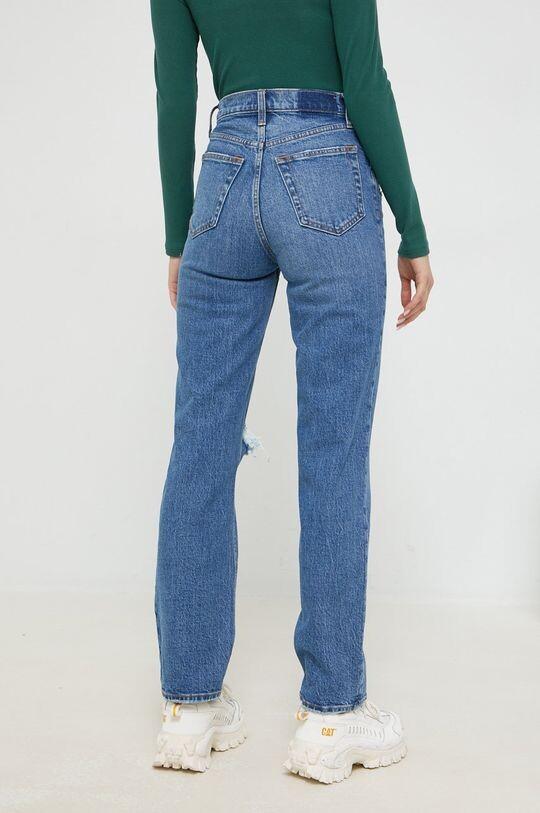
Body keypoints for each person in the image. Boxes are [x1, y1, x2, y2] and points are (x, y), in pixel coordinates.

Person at [150, 0, 434, 784]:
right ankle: (331, 716)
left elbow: (174, 91)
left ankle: (189, 707)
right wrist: (411, 226)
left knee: (201, 444)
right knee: (335, 447)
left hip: (224, 174)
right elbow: (365, 80)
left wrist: (179, 233)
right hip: (327, 166)